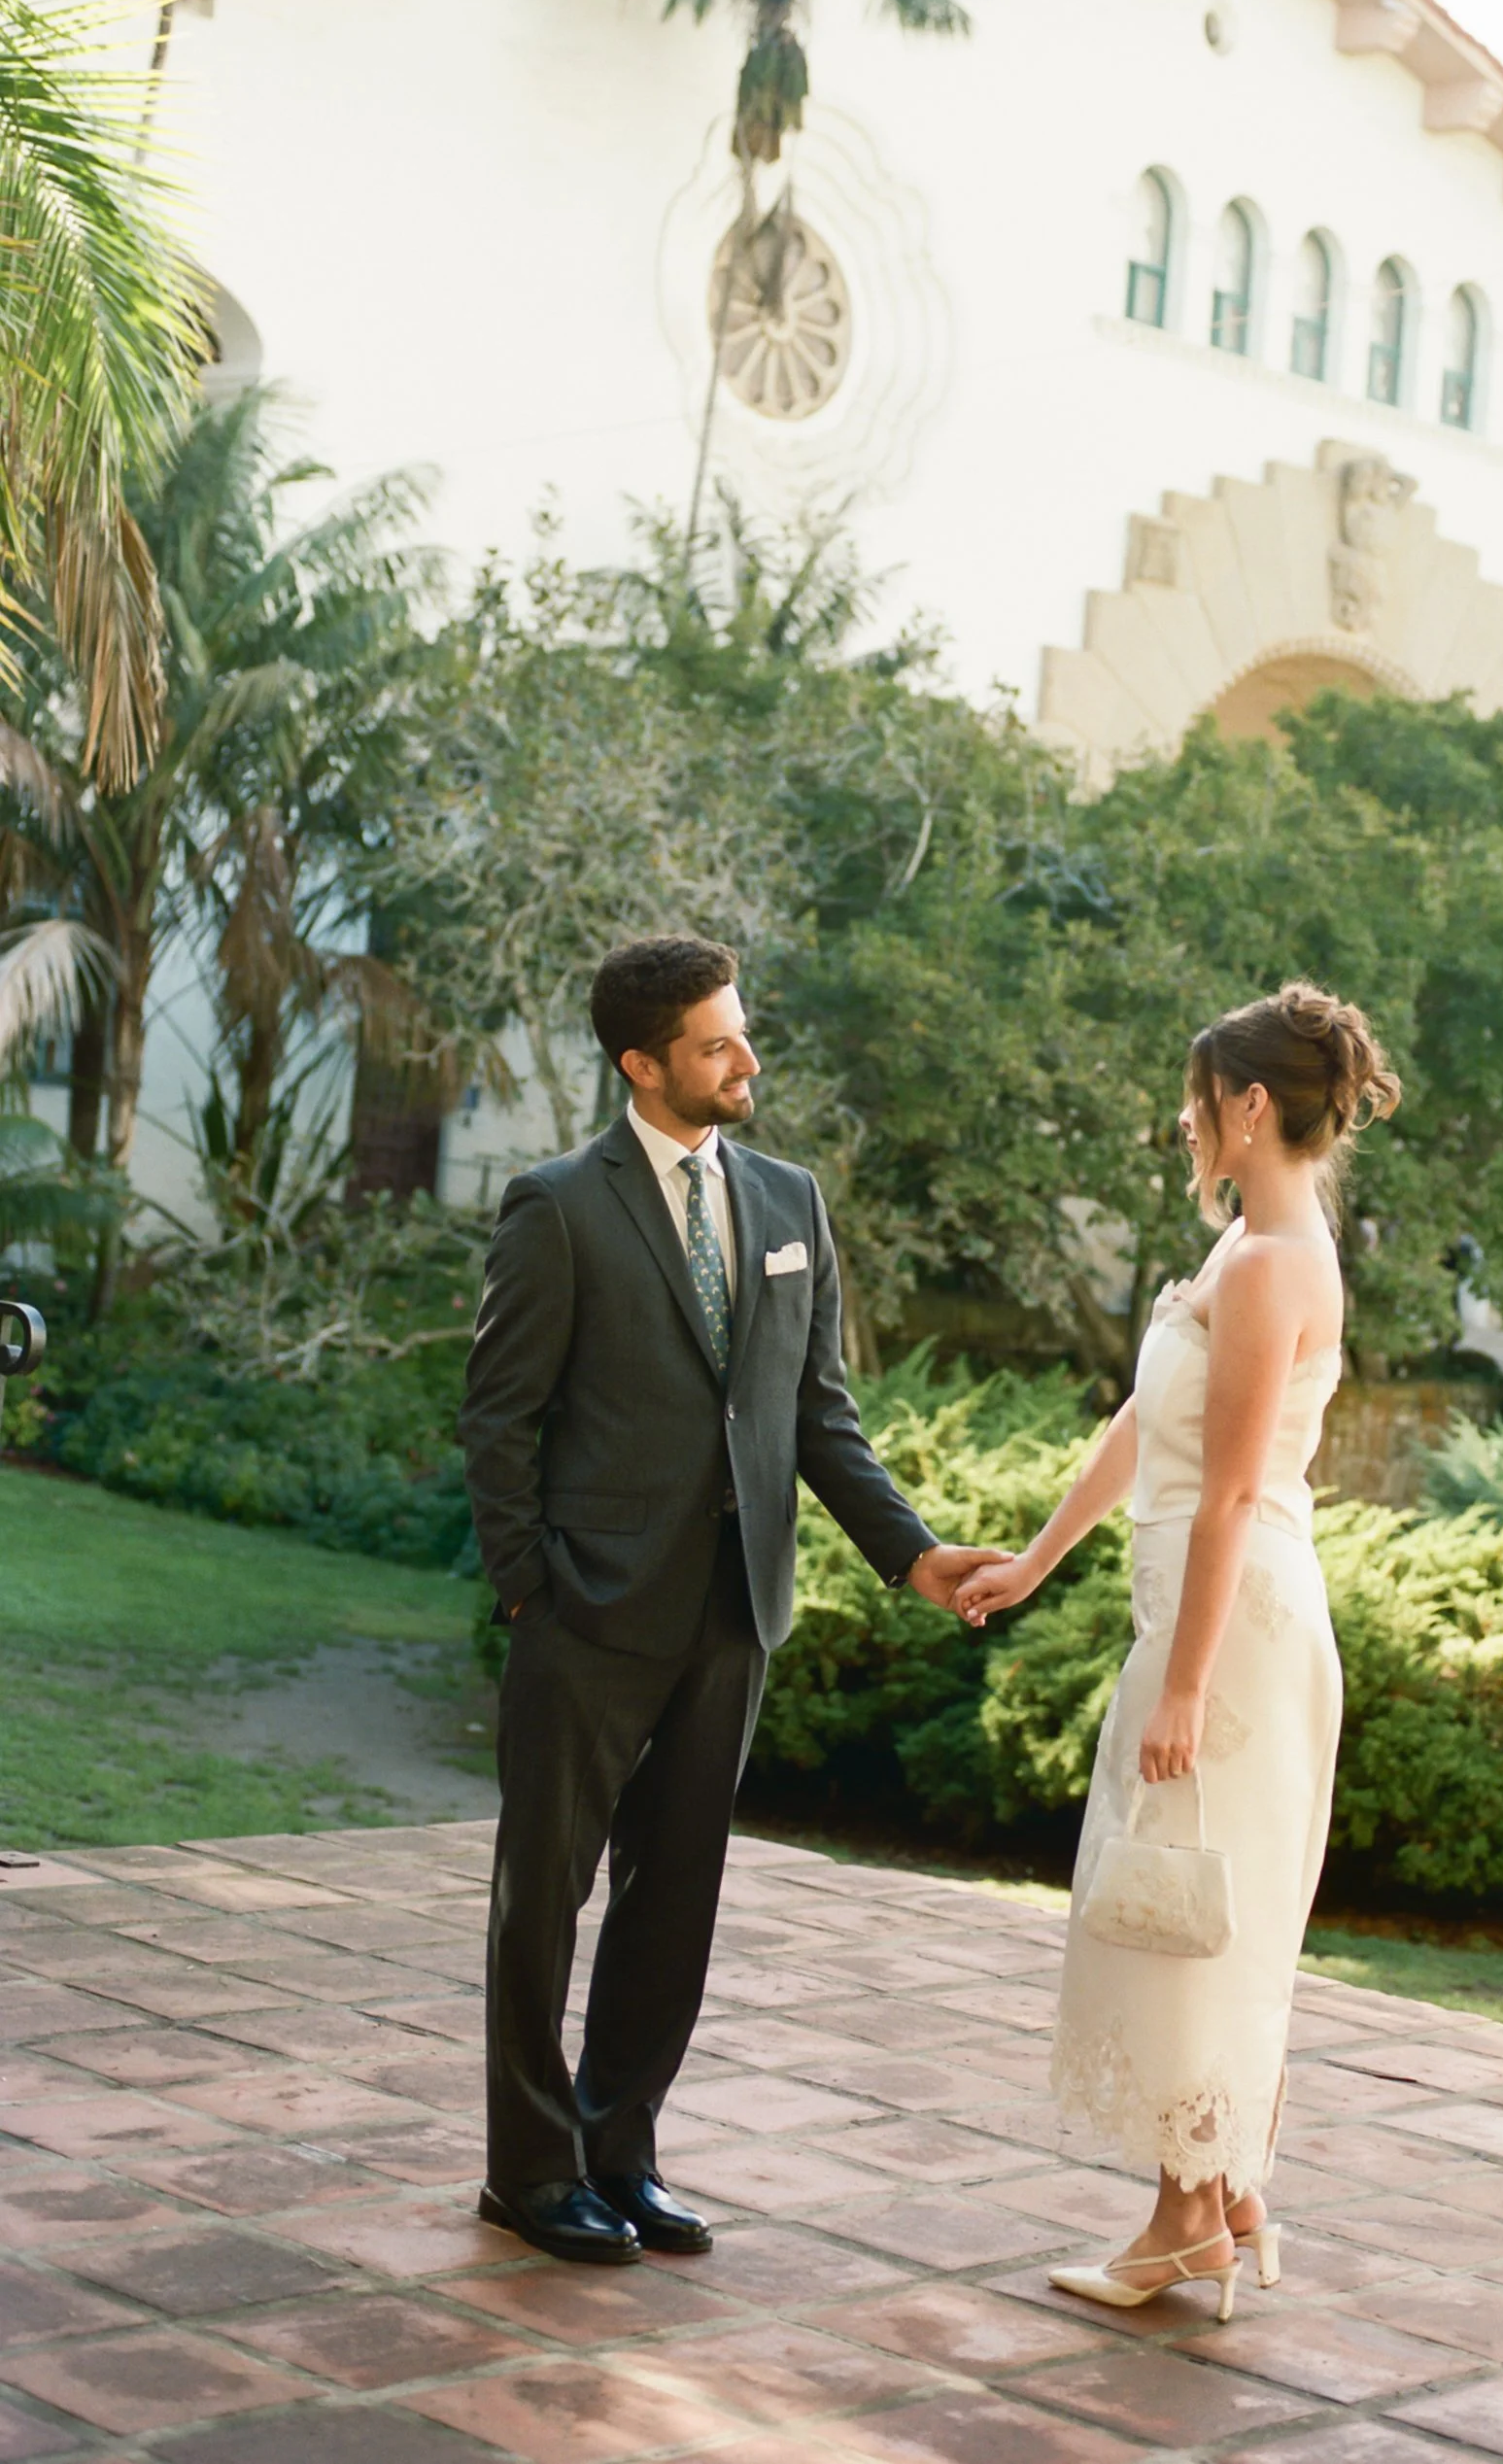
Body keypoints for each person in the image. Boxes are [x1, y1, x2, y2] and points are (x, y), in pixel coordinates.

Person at [461, 935, 1001, 2265]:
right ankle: (529, 2172)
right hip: (587, 1614)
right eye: (716, 1043)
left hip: (732, 1614)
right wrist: (528, 1591)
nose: (747, 1058)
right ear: (643, 1065)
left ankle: (619, 2151)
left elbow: (819, 1415)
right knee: (543, 1903)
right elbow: (500, 1416)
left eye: (741, 1031)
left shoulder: (788, 1200)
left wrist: (912, 1554)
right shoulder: (557, 1207)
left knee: (674, 1901)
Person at [960, 981, 1398, 2319]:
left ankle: (1184, 2222)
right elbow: (1148, 1423)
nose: (1186, 1124)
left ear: (1252, 1105)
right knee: (1178, 1897)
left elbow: (1230, 1494)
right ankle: (1220, 2191)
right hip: (1199, 1616)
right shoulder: (1244, 1246)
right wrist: (1036, 1558)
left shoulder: (1271, 1265)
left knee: (1192, 1913)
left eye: (1199, 1102)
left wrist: (1189, 1685)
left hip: (1235, 1631)